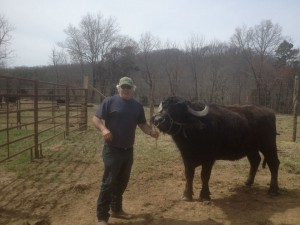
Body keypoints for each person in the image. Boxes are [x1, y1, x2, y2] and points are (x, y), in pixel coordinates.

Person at [92, 76, 159, 225]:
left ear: (133, 90)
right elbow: (96, 119)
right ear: (118, 88)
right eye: (123, 87)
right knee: (108, 182)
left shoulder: (137, 106)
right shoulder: (109, 102)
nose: (126, 90)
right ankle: (102, 216)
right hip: (112, 149)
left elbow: (142, 124)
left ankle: (116, 210)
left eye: (129, 87)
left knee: (122, 182)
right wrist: (103, 129)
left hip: (128, 150)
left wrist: (151, 132)